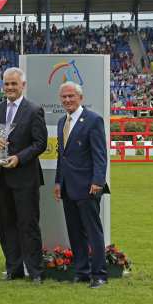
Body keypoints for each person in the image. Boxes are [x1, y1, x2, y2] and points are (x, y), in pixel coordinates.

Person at [0, 67, 48, 284]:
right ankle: (13, 268)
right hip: (1, 176)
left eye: (14, 84)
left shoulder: (34, 110)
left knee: (28, 224)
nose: (10, 88)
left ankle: (35, 271)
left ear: (23, 86)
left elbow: (40, 144)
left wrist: (19, 158)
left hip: (25, 176)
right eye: (7, 84)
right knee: (6, 223)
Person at [54, 81, 109, 289]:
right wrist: (58, 181)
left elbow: (100, 156)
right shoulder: (61, 122)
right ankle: (82, 272)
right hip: (68, 187)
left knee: (93, 232)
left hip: (88, 187)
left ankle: (99, 275)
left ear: (80, 98)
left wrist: (97, 182)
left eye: (71, 96)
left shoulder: (93, 120)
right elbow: (62, 157)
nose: (67, 100)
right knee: (75, 232)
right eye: (64, 97)